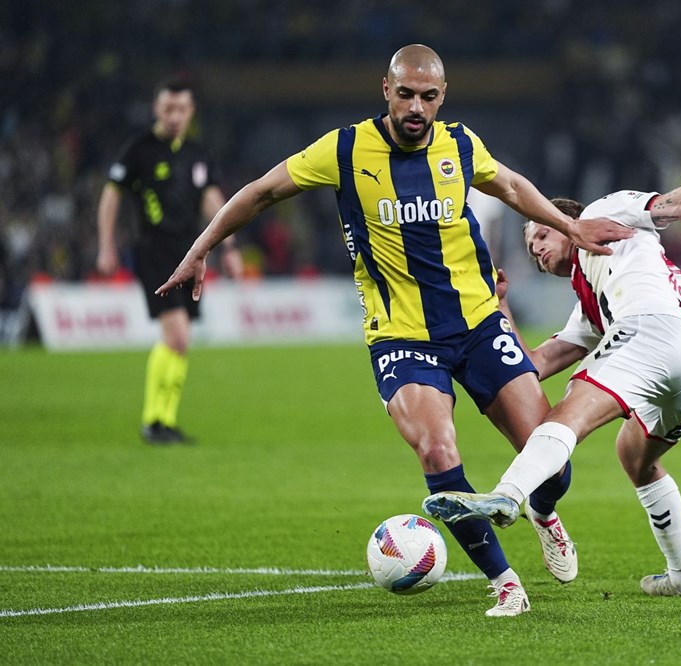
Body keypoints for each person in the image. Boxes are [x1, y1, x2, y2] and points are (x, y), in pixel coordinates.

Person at [155, 44, 633, 616]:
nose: (416, 107)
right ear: (386, 90)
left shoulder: (460, 144)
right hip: (401, 337)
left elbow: (511, 186)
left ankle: (543, 510)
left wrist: (568, 225)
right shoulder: (345, 148)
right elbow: (261, 191)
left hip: (479, 323)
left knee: (551, 460)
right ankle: (504, 581)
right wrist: (202, 247)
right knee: (436, 449)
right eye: (405, 94)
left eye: (428, 97)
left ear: (441, 98)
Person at [423, 149, 681, 600]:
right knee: (634, 455)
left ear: (568, 222)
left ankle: (508, 495)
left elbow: (674, 205)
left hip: (650, 329)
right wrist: (501, 306)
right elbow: (532, 366)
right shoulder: (589, 301)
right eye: (531, 246)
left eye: (543, 232)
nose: (538, 248)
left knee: (567, 415)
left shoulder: (604, 211)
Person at [97, 76, 243, 445]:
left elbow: (214, 202)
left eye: (181, 108)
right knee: (176, 334)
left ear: (191, 111)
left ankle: (165, 420)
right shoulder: (139, 150)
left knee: (182, 340)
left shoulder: (198, 154)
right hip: (153, 250)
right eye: (168, 108)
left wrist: (229, 247)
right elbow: (111, 196)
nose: (175, 115)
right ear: (156, 109)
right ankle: (153, 421)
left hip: (192, 253)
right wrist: (106, 244)